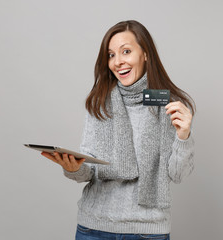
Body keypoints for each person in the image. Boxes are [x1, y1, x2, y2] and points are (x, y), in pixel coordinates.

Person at [41, 20, 195, 240]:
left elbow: (178, 175)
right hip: (93, 228)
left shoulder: (170, 106)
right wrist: (73, 168)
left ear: (145, 54)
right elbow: (89, 169)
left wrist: (183, 136)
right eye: (111, 55)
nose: (118, 61)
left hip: (147, 232)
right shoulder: (99, 103)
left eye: (126, 51)